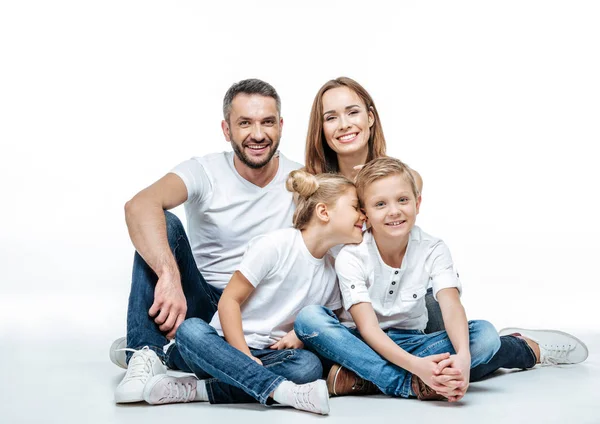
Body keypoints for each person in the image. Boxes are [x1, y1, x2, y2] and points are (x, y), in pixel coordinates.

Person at [300, 77, 589, 394]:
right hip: (349, 317)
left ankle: (518, 349)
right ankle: (413, 378)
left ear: (369, 117)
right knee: (312, 347)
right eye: (331, 117)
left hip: (409, 309)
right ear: (321, 128)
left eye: (352, 112)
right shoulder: (316, 191)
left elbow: (423, 264)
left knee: (473, 343)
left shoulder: (405, 179)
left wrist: (460, 355)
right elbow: (305, 262)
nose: (344, 125)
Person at [111, 78, 305, 403]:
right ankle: (145, 353)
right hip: (203, 302)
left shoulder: (301, 179)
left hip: (263, 316)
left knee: (303, 368)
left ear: (281, 125)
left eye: (267, 122)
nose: (257, 134)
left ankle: (182, 358)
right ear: (227, 129)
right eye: (245, 123)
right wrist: (170, 277)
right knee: (163, 223)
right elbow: (139, 205)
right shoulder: (204, 171)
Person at [139, 171, 365, 415]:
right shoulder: (275, 245)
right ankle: (281, 392)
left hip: (268, 355)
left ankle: (200, 390)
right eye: (356, 207)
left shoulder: (333, 268)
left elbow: (327, 316)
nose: (363, 216)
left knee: (308, 367)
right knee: (191, 330)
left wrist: (298, 335)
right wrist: (243, 357)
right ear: (323, 212)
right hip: (222, 347)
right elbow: (229, 301)